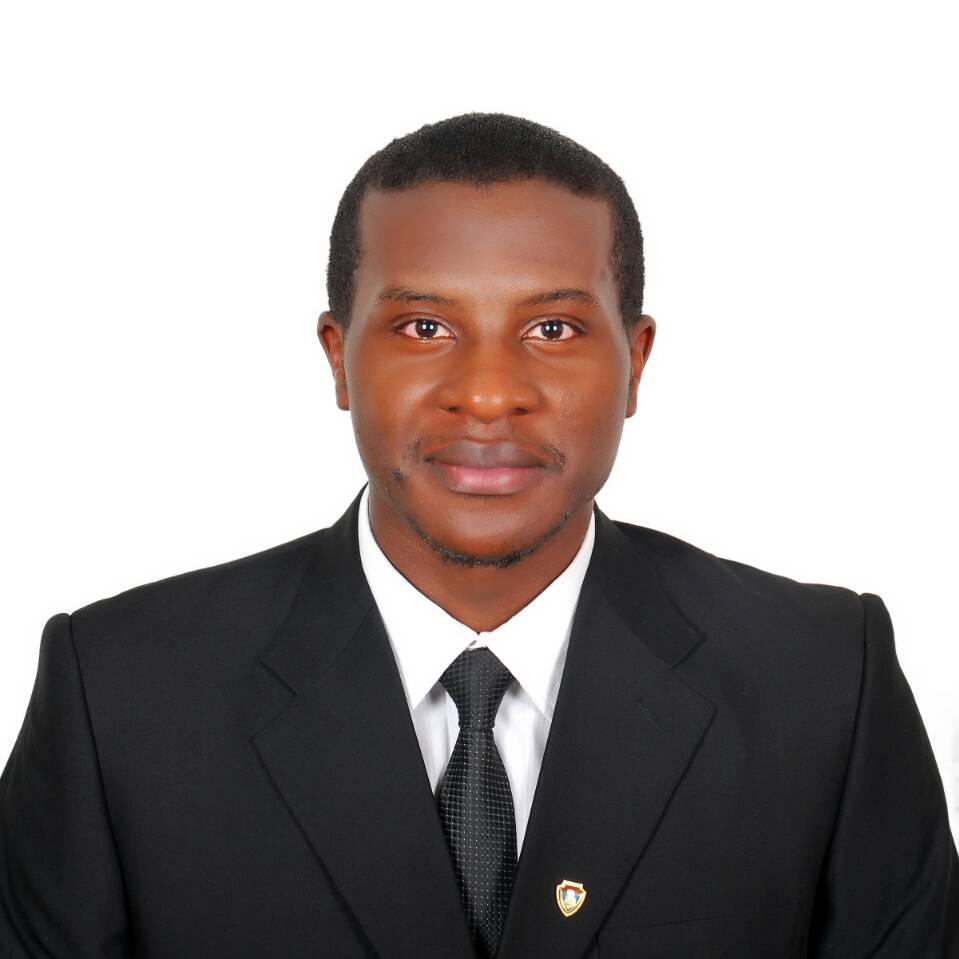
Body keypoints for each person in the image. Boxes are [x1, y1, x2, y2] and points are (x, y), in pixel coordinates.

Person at [1, 112, 956, 959]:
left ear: (635, 363)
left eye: (552, 330)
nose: (489, 394)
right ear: (339, 359)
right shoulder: (117, 693)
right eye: (423, 326)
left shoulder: (824, 683)